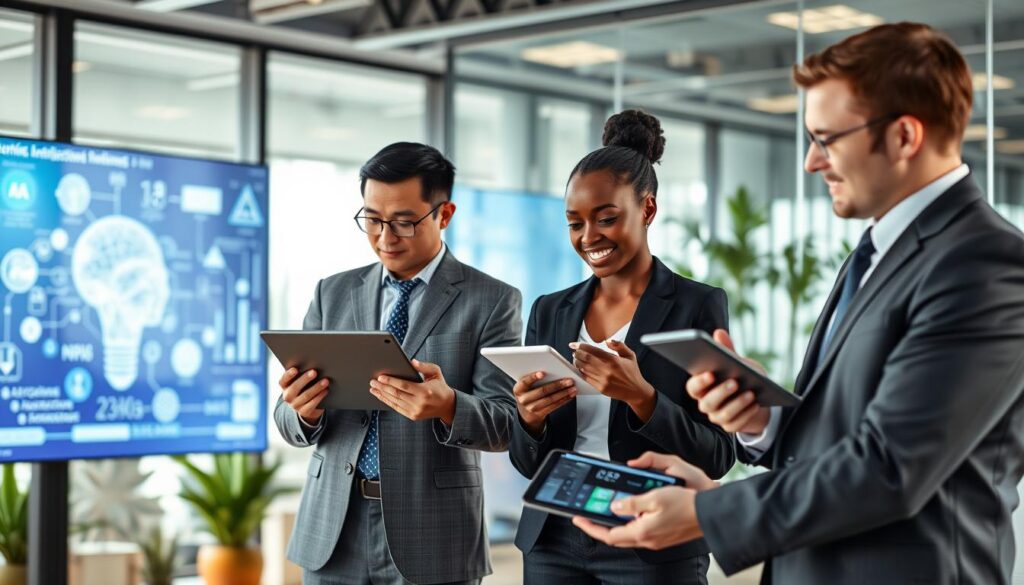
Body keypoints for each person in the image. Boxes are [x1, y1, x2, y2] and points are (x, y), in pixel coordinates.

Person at [574, 22, 1024, 585]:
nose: (812, 162)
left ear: (905, 136)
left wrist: (706, 513)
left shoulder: (987, 266)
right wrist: (765, 420)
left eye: (827, 138)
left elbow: (889, 468)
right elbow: (849, 434)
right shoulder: (877, 250)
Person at [274, 142, 523, 585]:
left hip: (434, 533)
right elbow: (287, 419)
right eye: (371, 219)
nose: (385, 238)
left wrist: (448, 406)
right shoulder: (331, 293)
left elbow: (508, 423)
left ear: (444, 215)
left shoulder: (492, 301)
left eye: (405, 222)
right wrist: (303, 410)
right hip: (333, 527)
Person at [508, 110, 735, 584]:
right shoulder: (549, 311)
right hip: (554, 537)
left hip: (652, 536)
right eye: (575, 223)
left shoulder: (697, 305)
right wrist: (528, 420)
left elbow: (717, 456)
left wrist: (641, 397)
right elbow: (528, 461)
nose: (589, 237)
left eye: (606, 218)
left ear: (647, 210)